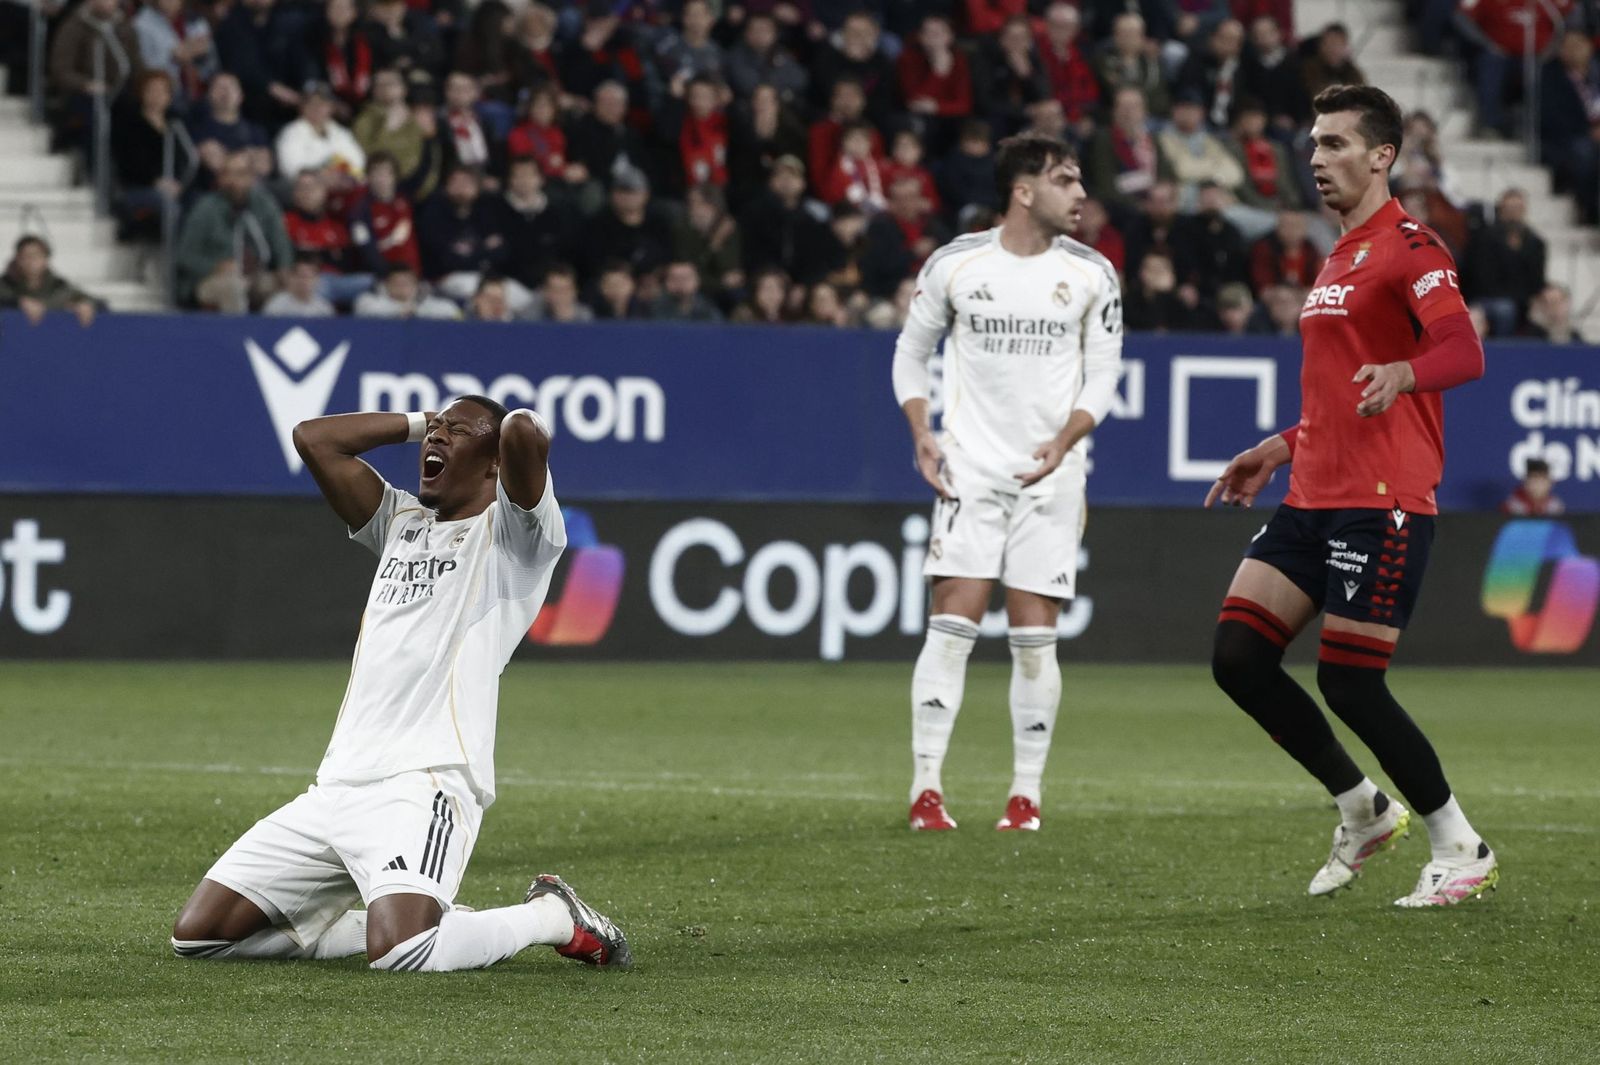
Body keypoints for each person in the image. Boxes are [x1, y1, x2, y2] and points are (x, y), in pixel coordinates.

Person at [170, 397, 632, 972]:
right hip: (337, 785)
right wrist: (427, 425)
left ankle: (551, 916)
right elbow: (315, 439)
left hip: (426, 779)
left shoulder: (517, 540)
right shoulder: (401, 522)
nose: (434, 440)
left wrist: (498, 430)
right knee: (201, 937)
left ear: (492, 466)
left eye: (455, 433)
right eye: (433, 431)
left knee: (403, 954)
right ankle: (419, 916)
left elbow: (524, 432)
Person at [1205, 85, 1495, 908]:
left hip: (1385, 497)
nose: (1318, 159)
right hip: (1312, 492)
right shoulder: (1336, 258)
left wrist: (1408, 372)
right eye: (1313, 145)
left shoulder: (1412, 246)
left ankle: (1458, 842)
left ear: (1382, 156)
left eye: (1335, 144)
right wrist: (1277, 447)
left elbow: (1464, 351)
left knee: (1350, 680)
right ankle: (1362, 808)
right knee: (1238, 656)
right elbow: (1339, 393)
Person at [891, 134, 1124, 833]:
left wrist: (1066, 438)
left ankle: (1025, 795)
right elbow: (910, 353)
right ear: (1025, 191)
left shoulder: (1091, 273)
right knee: (952, 622)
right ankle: (925, 787)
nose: (1080, 194)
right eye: (1065, 180)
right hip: (971, 467)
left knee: (1035, 637)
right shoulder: (958, 264)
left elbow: (1104, 373)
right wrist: (921, 432)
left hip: (1051, 474)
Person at [0, 236, 98, 327]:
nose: (31, 261)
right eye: (26, 256)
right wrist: (17, 303)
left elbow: (99, 303)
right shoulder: (4, 285)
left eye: (36, 256)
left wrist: (85, 303)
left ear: (46, 259)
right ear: (17, 258)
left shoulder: (59, 286)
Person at [1502, 458, 1566, 516]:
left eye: (1541, 480)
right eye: (1534, 480)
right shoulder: (1512, 506)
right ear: (1526, 482)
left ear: (1550, 483)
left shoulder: (1555, 506)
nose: (1537, 485)